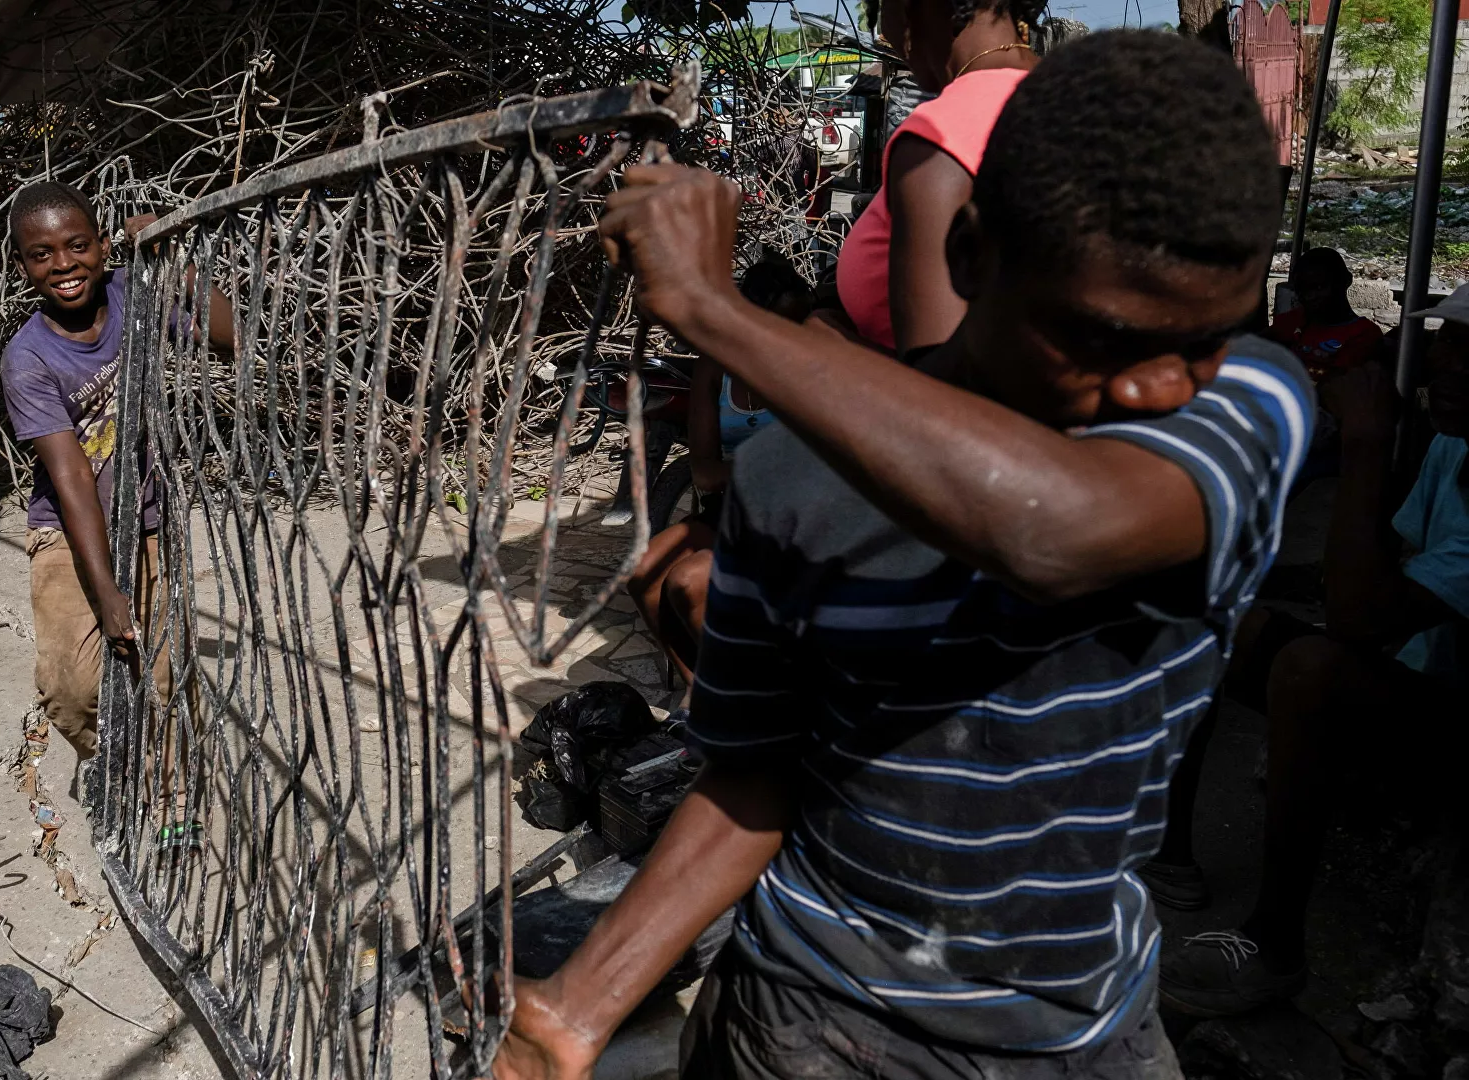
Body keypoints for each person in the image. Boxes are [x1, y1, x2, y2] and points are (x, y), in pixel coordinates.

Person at [496, 31, 1299, 1079]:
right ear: (970, 256)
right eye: (1102, 339)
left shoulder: (1249, 406)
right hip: (804, 1024)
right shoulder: (796, 484)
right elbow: (758, 776)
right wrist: (573, 1011)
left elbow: (1050, 533)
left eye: (1205, 340)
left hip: (1077, 1034)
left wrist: (713, 308)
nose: (1163, 388)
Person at [1157, 293, 1469, 1018]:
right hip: (1418, 672)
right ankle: (1168, 850)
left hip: (1450, 714)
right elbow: (1381, 575)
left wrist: (1364, 446)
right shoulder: (1455, 444)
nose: (1447, 365)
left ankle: (1275, 943)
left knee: (1312, 675)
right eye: (1448, 343)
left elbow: (1360, 621)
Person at [0, 182, 232, 822]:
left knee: (158, 670)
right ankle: (113, 757)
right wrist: (105, 592)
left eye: (77, 246)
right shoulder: (28, 359)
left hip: (150, 519)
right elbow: (72, 477)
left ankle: (168, 785)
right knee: (72, 689)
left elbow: (228, 335)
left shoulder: (135, 292)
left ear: (104, 246)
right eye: (42, 254)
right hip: (69, 530)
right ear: (23, 267)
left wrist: (171, 254)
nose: (64, 265)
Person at [627, 254, 803, 688]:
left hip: (795, 519)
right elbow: (704, 472)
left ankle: (740, 700)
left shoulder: (806, 370)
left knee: (688, 581)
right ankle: (699, 693)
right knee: (643, 577)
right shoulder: (715, 369)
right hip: (732, 507)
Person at [833, 0, 1042, 357]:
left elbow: (934, 375)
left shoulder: (939, 138)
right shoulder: (1068, 95)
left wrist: (826, 335)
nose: (884, 31)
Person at [1266, 247, 1384, 384]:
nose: (1309, 296)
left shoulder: (1363, 334)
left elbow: (1338, 385)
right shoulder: (1297, 319)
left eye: (1319, 287)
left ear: (1345, 281)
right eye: (1301, 289)